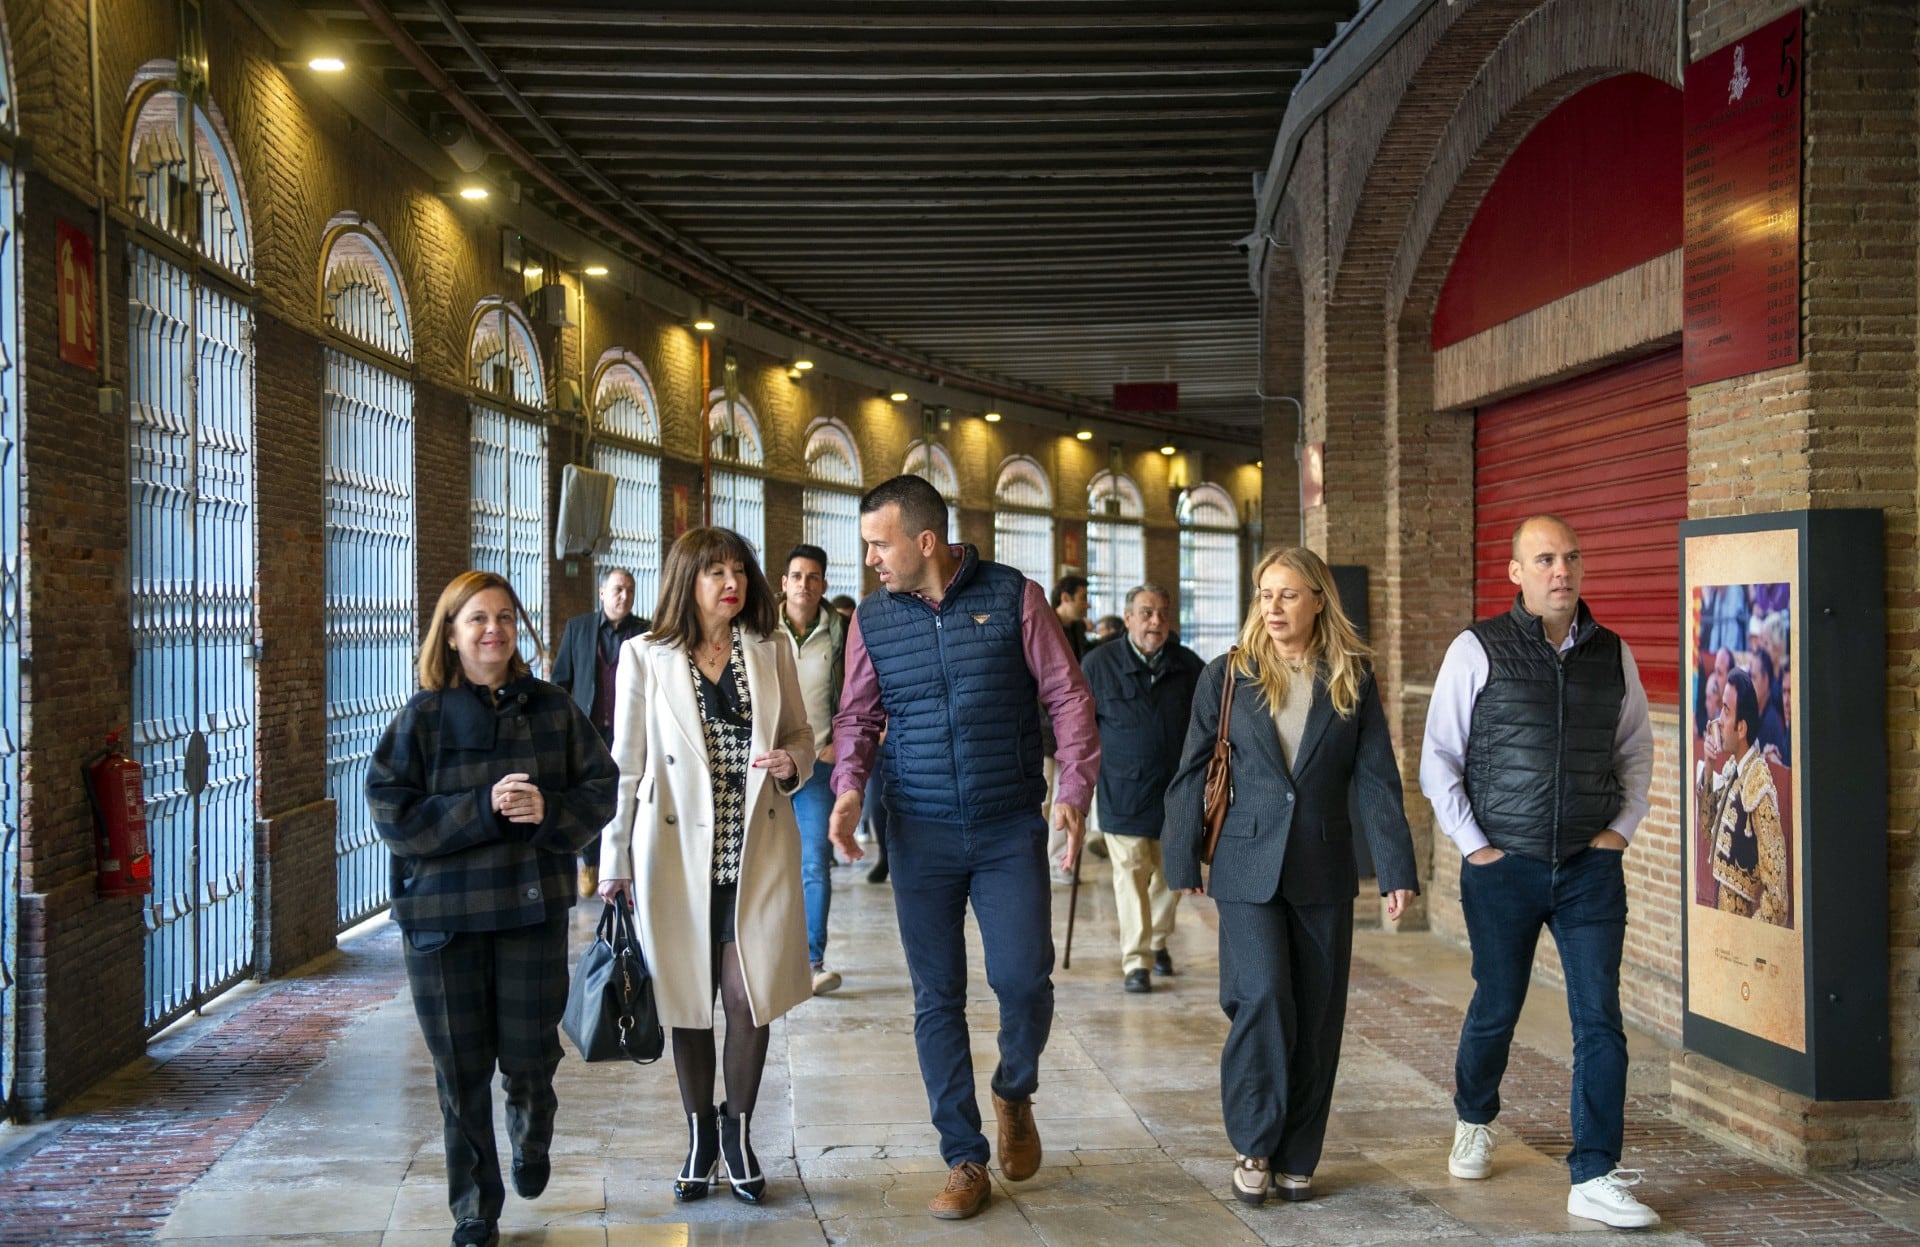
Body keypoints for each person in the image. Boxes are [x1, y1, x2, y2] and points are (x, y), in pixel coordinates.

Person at [826, 475, 1098, 1221]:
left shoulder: (1016, 596)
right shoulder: (873, 620)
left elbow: (1068, 697)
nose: (872, 559)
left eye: (880, 544)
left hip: (1009, 823)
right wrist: (849, 786)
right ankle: (964, 1154)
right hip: (919, 833)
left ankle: (1014, 1089)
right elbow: (857, 715)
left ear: (924, 541)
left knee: (1023, 978)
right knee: (936, 995)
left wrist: (1074, 788)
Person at [1419, 514, 1658, 1230]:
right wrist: (1475, 845)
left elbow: (1635, 749)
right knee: (1497, 1005)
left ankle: (1596, 1172)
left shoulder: (1612, 653)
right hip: (1504, 866)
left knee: (1600, 1020)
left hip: (1589, 867)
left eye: (1572, 557)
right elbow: (1440, 757)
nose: (1563, 570)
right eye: (1546, 558)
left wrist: (1620, 830)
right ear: (1516, 572)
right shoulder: (1476, 648)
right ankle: (1474, 1114)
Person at [367, 571, 618, 1247]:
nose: (493, 630)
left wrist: (551, 812)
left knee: (529, 1057)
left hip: (530, 914)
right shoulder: (422, 717)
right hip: (443, 922)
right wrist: (479, 810)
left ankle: (532, 1134)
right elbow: (392, 812)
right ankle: (475, 1207)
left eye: (505, 617)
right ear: (451, 632)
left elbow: (603, 786)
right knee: (462, 1069)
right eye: (477, 618)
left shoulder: (553, 708)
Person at [1162, 547, 1417, 1206]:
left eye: (1288, 594)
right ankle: (1254, 1141)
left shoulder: (1350, 677)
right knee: (1265, 996)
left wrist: (1395, 867)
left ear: (1318, 600)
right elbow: (1194, 768)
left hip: (1322, 867)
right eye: (1265, 594)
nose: (1273, 607)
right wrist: (1181, 854)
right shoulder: (1227, 675)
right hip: (1245, 866)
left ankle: (1298, 1151)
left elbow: (1378, 779)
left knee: (1317, 1014)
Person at [598, 528, 814, 1206]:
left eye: (740, 570)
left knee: (749, 995)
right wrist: (614, 860)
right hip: (674, 859)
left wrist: (793, 765)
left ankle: (739, 1130)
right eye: (716, 571)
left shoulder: (771, 649)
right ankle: (698, 1133)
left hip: (755, 852)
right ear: (687, 580)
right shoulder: (644, 656)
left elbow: (803, 736)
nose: (733, 582)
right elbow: (626, 766)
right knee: (689, 1002)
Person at [1079, 583, 1203, 993]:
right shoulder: (1097, 665)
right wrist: (1077, 785)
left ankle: (1155, 939)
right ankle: (1137, 961)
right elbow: (1078, 727)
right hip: (1123, 790)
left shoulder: (1190, 667)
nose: (1156, 622)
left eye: (1163, 614)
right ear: (1128, 618)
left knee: (1173, 876)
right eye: (1147, 613)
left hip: (1177, 794)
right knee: (1130, 874)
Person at [548, 566, 648, 895]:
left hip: (629, 730)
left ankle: (625, 860)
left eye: (630, 591)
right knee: (591, 794)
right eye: (618, 589)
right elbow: (561, 679)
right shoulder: (579, 628)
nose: (625, 596)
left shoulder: (645, 633)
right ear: (602, 592)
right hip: (589, 729)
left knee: (626, 793)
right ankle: (590, 862)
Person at [777, 543, 849, 993]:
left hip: (816, 766)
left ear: (823, 584)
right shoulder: (758, 630)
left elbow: (859, 691)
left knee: (814, 864)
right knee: (761, 865)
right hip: (765, 766)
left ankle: (811, 962)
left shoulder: (841, 633)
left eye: (813, 577)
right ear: (783, 583)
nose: (805, 584)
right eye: (797, 576)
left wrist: (841, 739)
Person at [1699, 669, 1789, 925]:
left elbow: (1778, 902)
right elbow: (1708, 832)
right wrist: (1708, 765)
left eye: (1726, 711)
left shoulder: (1759, 786)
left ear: (1741, 728)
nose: (1718, 719)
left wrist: (1747, 937)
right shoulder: (1732, 770)